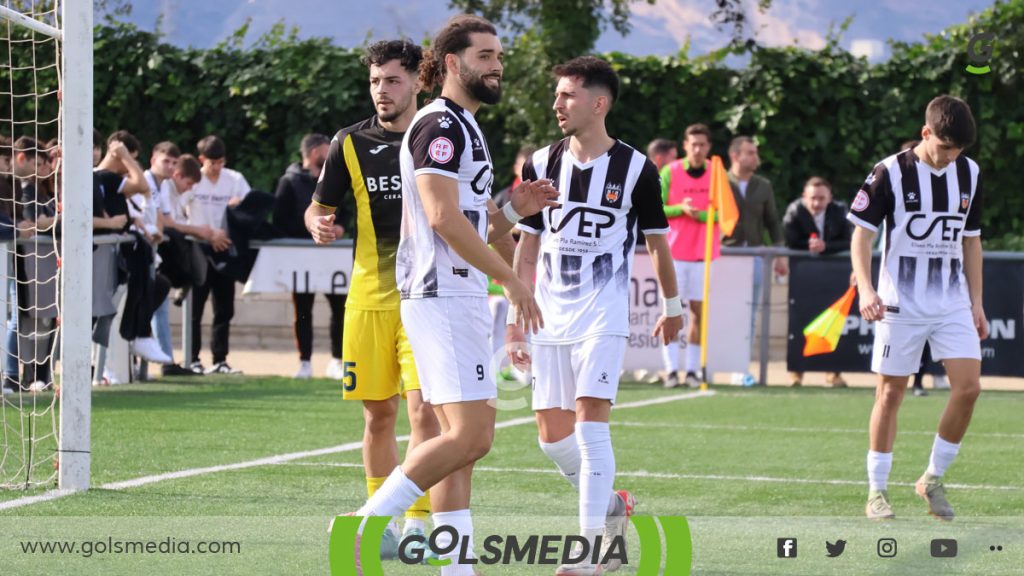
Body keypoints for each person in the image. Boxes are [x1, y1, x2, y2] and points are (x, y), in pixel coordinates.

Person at [339, 17, 557, 575]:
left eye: (499, 55)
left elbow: (469, 221)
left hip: (450, 295)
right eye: (486, 55)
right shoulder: (442, 125)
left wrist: (514, 211)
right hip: (440, 294)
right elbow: (440, 217)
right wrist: (511, 279)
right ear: (454, 64)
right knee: (469, 436)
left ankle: (456, 568)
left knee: (463, 444)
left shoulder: (464, 124)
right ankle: (365, 525)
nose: (497, 64)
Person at [507, 56, 683, 576]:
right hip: (549, 318)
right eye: (557, 95)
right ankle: (612, 508)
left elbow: (658, 245)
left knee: (590, 428)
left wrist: (672, 308)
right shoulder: (539, 163)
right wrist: (516, 323)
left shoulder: (636, 169)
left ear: (598, 103)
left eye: (567, 95)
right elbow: (527, 247)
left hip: (603, 315)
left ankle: (587, 555)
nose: (557, 104)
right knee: (551, 439)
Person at [303, 40, 437, 560]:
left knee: (424, 411)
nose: (383, 90)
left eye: (393, 80)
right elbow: (318, 209)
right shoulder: (348, 142)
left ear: (418, 83)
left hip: (425, 296)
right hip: (367, 298)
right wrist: (319, 225)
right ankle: (377, 520)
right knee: (378, 416)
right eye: (376, 81)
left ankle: (417, 524)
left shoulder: (439, 136)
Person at [849, 95, 986, 521]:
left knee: (969, 388)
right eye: (945, 148)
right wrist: (866, 289)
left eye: (957, 151)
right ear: (926, 134)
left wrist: (977, 303)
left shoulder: (969, 172)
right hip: (899, 303)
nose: (950, 158)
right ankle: (877, 491)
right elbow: (862, 235)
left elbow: (971, 240)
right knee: (891, 393)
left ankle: (931, 478)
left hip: (951, 302)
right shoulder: (889, 171)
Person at [274, 133, 347, 380]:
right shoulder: (289, 181)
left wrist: (339, 228)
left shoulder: (335, 177)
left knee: (340, 308)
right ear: (315, 151)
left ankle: (337, 360)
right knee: (303, 310)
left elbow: (346, 211)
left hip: (331, 258)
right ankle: (305, 362)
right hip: (301, 258)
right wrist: (311, 228)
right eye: (327, 149)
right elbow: (280, 221)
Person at [658, 124, 717, 389]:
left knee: (698, 313)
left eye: (702, 145)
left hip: (703, 255)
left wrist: (701, 215)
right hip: (674, 254)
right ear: (685, 146)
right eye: (693, 144)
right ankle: (671, 370)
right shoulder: (670, 172)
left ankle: (692, 370)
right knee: (671, 311)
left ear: (708, 147)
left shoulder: (717, 174)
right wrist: (681, 209)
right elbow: (657, 209)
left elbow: (727, 216)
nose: (697, 149)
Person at [725, 136, 787, 385]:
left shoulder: (763, 185)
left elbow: (773, 221)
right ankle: (711, 365)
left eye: (755, 152)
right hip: (724, 256)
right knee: (720, 313)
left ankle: (741, 367)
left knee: (749, 315)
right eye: (750, 152)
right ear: (735, 156)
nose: (755, 157)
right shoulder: (718, 182)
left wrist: (780, 254)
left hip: (755, 257)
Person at [188, 135, 250, 375]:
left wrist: (238, 207)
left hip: (225, 248)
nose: (217, 167)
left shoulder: (235, 179)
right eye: (212, 162)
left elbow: (249, 207)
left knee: (224, 308)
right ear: (201, 159)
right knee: (195, 307)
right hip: (199, 247)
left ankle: (219, 359)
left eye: (221, 162)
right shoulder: (194, 179)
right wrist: (208, 235)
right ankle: (192, 358)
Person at [783, 176, 852, 387]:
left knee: (833, 323)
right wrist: (809, 246)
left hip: (834, 274)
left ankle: (833, 372)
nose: (816, 203)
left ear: (830, 197)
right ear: (804, 197)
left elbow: (849, 240)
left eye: (821, 198)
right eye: (812, 198)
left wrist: (825, 247)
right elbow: (789, 239)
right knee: (799, 321)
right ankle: (797, 373)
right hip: (803, 275)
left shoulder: (840, 211)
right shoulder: (794, 211)